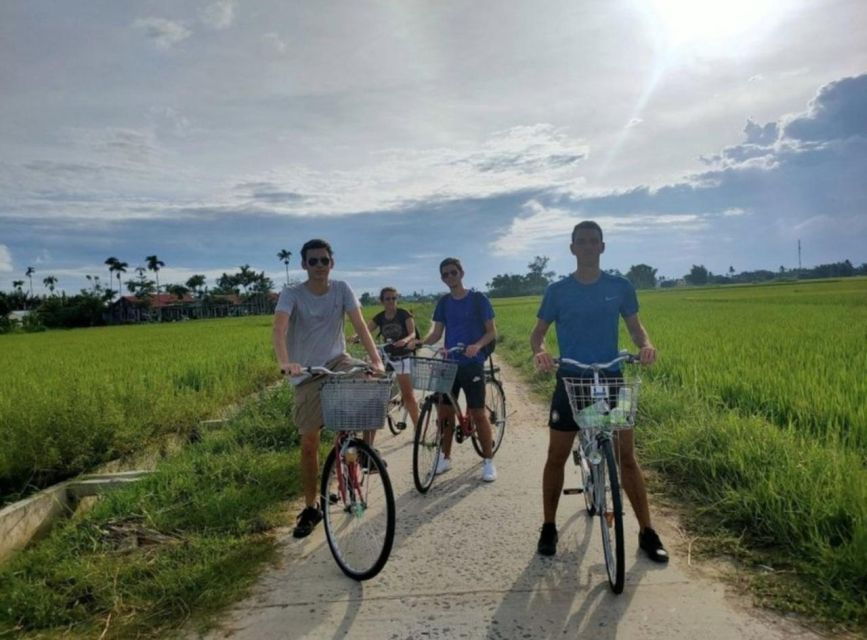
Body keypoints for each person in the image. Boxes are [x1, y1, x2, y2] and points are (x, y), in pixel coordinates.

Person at [530, 221, 669, 562]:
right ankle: (549, 525)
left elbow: (636, 329)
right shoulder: (558, 290)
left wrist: (647, 346)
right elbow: (538, 335)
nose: (589, 247)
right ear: (572, 248)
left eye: (594, 242)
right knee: (556, 456)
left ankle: (647, 531)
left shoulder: (619, 286)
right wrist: (541, 352)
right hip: (571, 380)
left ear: (602, 247)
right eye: (582, 242)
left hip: (612, 378)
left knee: (626, 457)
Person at [272, 238, 385, 539]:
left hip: (337, 362)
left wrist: (376, 360)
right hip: (307, 373)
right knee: (309, 441)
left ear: (332, 263)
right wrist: (287, 363)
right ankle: (311, 507)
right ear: (304, 265)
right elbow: (279, 329)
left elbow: (360, 326)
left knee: (370, 380)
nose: (319, 266)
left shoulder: (342, 289)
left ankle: (361, 450)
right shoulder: (292, 293)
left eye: (324, 260)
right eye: (313, 261)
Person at [418, 258, 498, 482]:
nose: (450, 277)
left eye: (453, 273)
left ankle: (488, 460)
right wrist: (419, 343)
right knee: (444, 413)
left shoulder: (478, 299)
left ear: (462, 273)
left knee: (479, 413)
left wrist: (478, 346)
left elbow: (491, 331)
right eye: (445, 275)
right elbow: (436, 334)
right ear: (442, 278)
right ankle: (445, 457)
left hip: (472, 362)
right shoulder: (443, 302)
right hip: (449, 363)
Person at [368, 287, 421, 429]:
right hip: (386, 356)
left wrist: (405, 340)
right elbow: (366, 330)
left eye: (394, 298)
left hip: (403, 357)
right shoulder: (380, 317)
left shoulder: (404, 314)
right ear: (382, 301)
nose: (391, 301)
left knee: (408, 395)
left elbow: (413, 334)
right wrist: (356, 337)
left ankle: (418, 428)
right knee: (376, 389)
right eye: (387, 299)